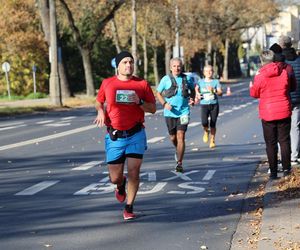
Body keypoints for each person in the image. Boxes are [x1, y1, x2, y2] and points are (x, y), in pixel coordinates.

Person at [94, 51, 156, 220]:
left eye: (131, 62)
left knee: (134, 172)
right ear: (118, 65)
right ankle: (120, 186)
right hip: (115, 135)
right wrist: (100, 111)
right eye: (125, 62)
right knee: (115, 177)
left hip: (136, 133)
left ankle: (129, 207)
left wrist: (140, 102)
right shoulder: (108, 83)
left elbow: (153, 108)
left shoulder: (142, 84)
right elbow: (99, 101)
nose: (128, 65)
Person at [250, 50, 295, 179]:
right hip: (284, 110)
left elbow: (254, 94)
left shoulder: (260, 76)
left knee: (270, 143)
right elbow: (291, 87)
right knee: (284, 141)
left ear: (262, 61)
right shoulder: (284, 73)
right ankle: (287, 170)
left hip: (268, 113)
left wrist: (252, 86)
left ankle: (274, 172)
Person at [156, 57, 195, 173]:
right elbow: (158, 93)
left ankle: (179, 163)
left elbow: (192, 90)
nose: (177, 68)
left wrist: (192, 99)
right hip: (170, 113)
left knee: (181, 136)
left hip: (184, 112)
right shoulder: (166, 79)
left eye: (179, 66)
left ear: (181, 67)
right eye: (174, 66)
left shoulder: (187, 78)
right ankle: (177, 149)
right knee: (173, 137)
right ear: (170, 67)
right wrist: (164, 104)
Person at [279, 36, 300, 165]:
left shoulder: (279, 61)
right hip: (298, 97)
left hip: (283, 97)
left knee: (282, 128)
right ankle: (294, 155)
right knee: (295, 126)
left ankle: (284, 156)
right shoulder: (298, 59)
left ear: (281, 45)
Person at [195, 65, 222, 148]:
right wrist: (197, 94)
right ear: (204, 73)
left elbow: (220, 93)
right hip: (204, 104)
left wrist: (214, 91)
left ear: (213, 72)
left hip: (214, 104)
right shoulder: (200, 81)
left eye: (210, 71)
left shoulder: (216, 82)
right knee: (204, 122)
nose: (208, 72)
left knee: (213, 123)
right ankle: (206, 131)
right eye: (206, 71)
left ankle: (212, 140)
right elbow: (196, 89)